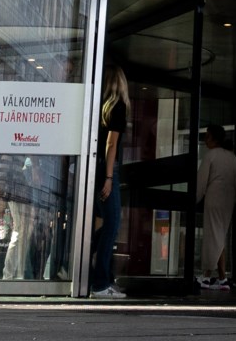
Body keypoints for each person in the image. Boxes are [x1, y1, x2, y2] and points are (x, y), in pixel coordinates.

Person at [88, 63, 129, 298]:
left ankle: (86, 265)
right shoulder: (118, 106)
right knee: (112, 224)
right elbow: (111, 144)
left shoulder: (100, 106)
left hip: (97, 169)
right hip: (107, 169)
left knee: (107, 224)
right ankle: (100, 284)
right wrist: (109, 177)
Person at [195, 125, 236, 290]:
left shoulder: (210, 155)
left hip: (214, 197)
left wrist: (194, 198)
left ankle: (206, 276)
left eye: (207, 136)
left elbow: (201, 182)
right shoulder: (232, 157)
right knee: (219, 236)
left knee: (212, 236)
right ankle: (222, 278)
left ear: (214, 138)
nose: (205, 140)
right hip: (228, 200)